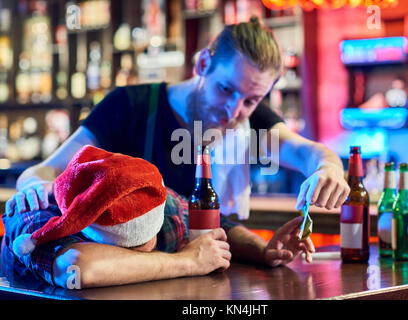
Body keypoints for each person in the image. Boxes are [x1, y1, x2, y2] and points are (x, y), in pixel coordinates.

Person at [2, 17, 349, 289]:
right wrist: (34, 187)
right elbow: (44, 172)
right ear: (202, 65)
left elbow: (309, 155)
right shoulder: (130, 107)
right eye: (225, 89)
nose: (232, 111)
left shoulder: (249, 121)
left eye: (250, 100)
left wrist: (328, 169)